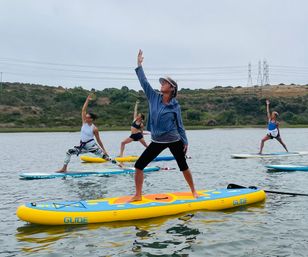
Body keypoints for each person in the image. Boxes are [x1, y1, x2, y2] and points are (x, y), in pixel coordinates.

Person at [129, 50, 199, 201]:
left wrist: (185, 141)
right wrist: (139, 65)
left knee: (183, 166)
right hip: (157, 141)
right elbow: (144, 82)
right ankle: (138, 195)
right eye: (162, 83)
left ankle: (193, 191)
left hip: (174, 139)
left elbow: (180, 125)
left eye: (165, 83)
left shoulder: (175, 106)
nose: (162, 84)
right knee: (139, 165)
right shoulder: (153, 97)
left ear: (172, 88)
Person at [57, 95, 111, 172]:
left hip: (92, 147)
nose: (85, 118)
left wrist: (104, 150)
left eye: (87, 117)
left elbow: (99, 140)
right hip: (83, 147)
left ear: (91, 119)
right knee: (69, 152)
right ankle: (64, 169)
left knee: (105, 157)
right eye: (85, 117)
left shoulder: (94, 128)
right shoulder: (84, 123)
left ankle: (120, 165)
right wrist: (87, 100)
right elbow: (83, 110)